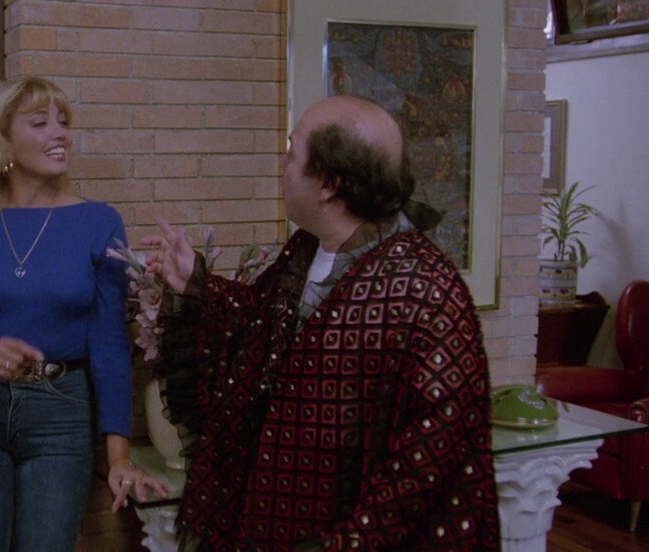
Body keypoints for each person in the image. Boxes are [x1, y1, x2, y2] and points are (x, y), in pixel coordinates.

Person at [142, 95, 501, 551]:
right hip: (276, 517)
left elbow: (436, 446)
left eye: (293, 153)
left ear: (329, 184)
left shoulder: (426, 289)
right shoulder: (306, 249)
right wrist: (195, 283)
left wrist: (348, 541)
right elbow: (257, 326)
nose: (283, 166)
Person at [0, 76, 168, 551]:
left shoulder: (99, 223)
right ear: (2, 136)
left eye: (64, 121)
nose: (60, 133)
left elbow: (110, 347)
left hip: (62, 414)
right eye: (40, 122)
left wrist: (118, 457)